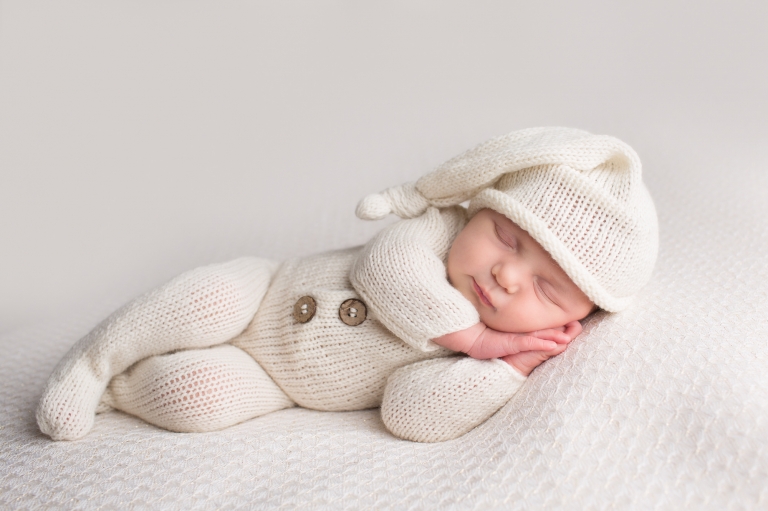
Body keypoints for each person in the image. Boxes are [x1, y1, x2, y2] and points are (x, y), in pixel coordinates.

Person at [36, 127, 658, 443]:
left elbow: (409, 414)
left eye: (546, 291)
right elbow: (382, 273)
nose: (507, 275)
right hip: (267, 290)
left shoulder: (486, 357)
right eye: (506, 237)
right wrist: (474, 338)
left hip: (281, 384)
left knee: (194, 398)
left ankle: (114, 393)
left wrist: (507, 369)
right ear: (476, 209)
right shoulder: (433, 230)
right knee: (203, 302)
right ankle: (89, 364)